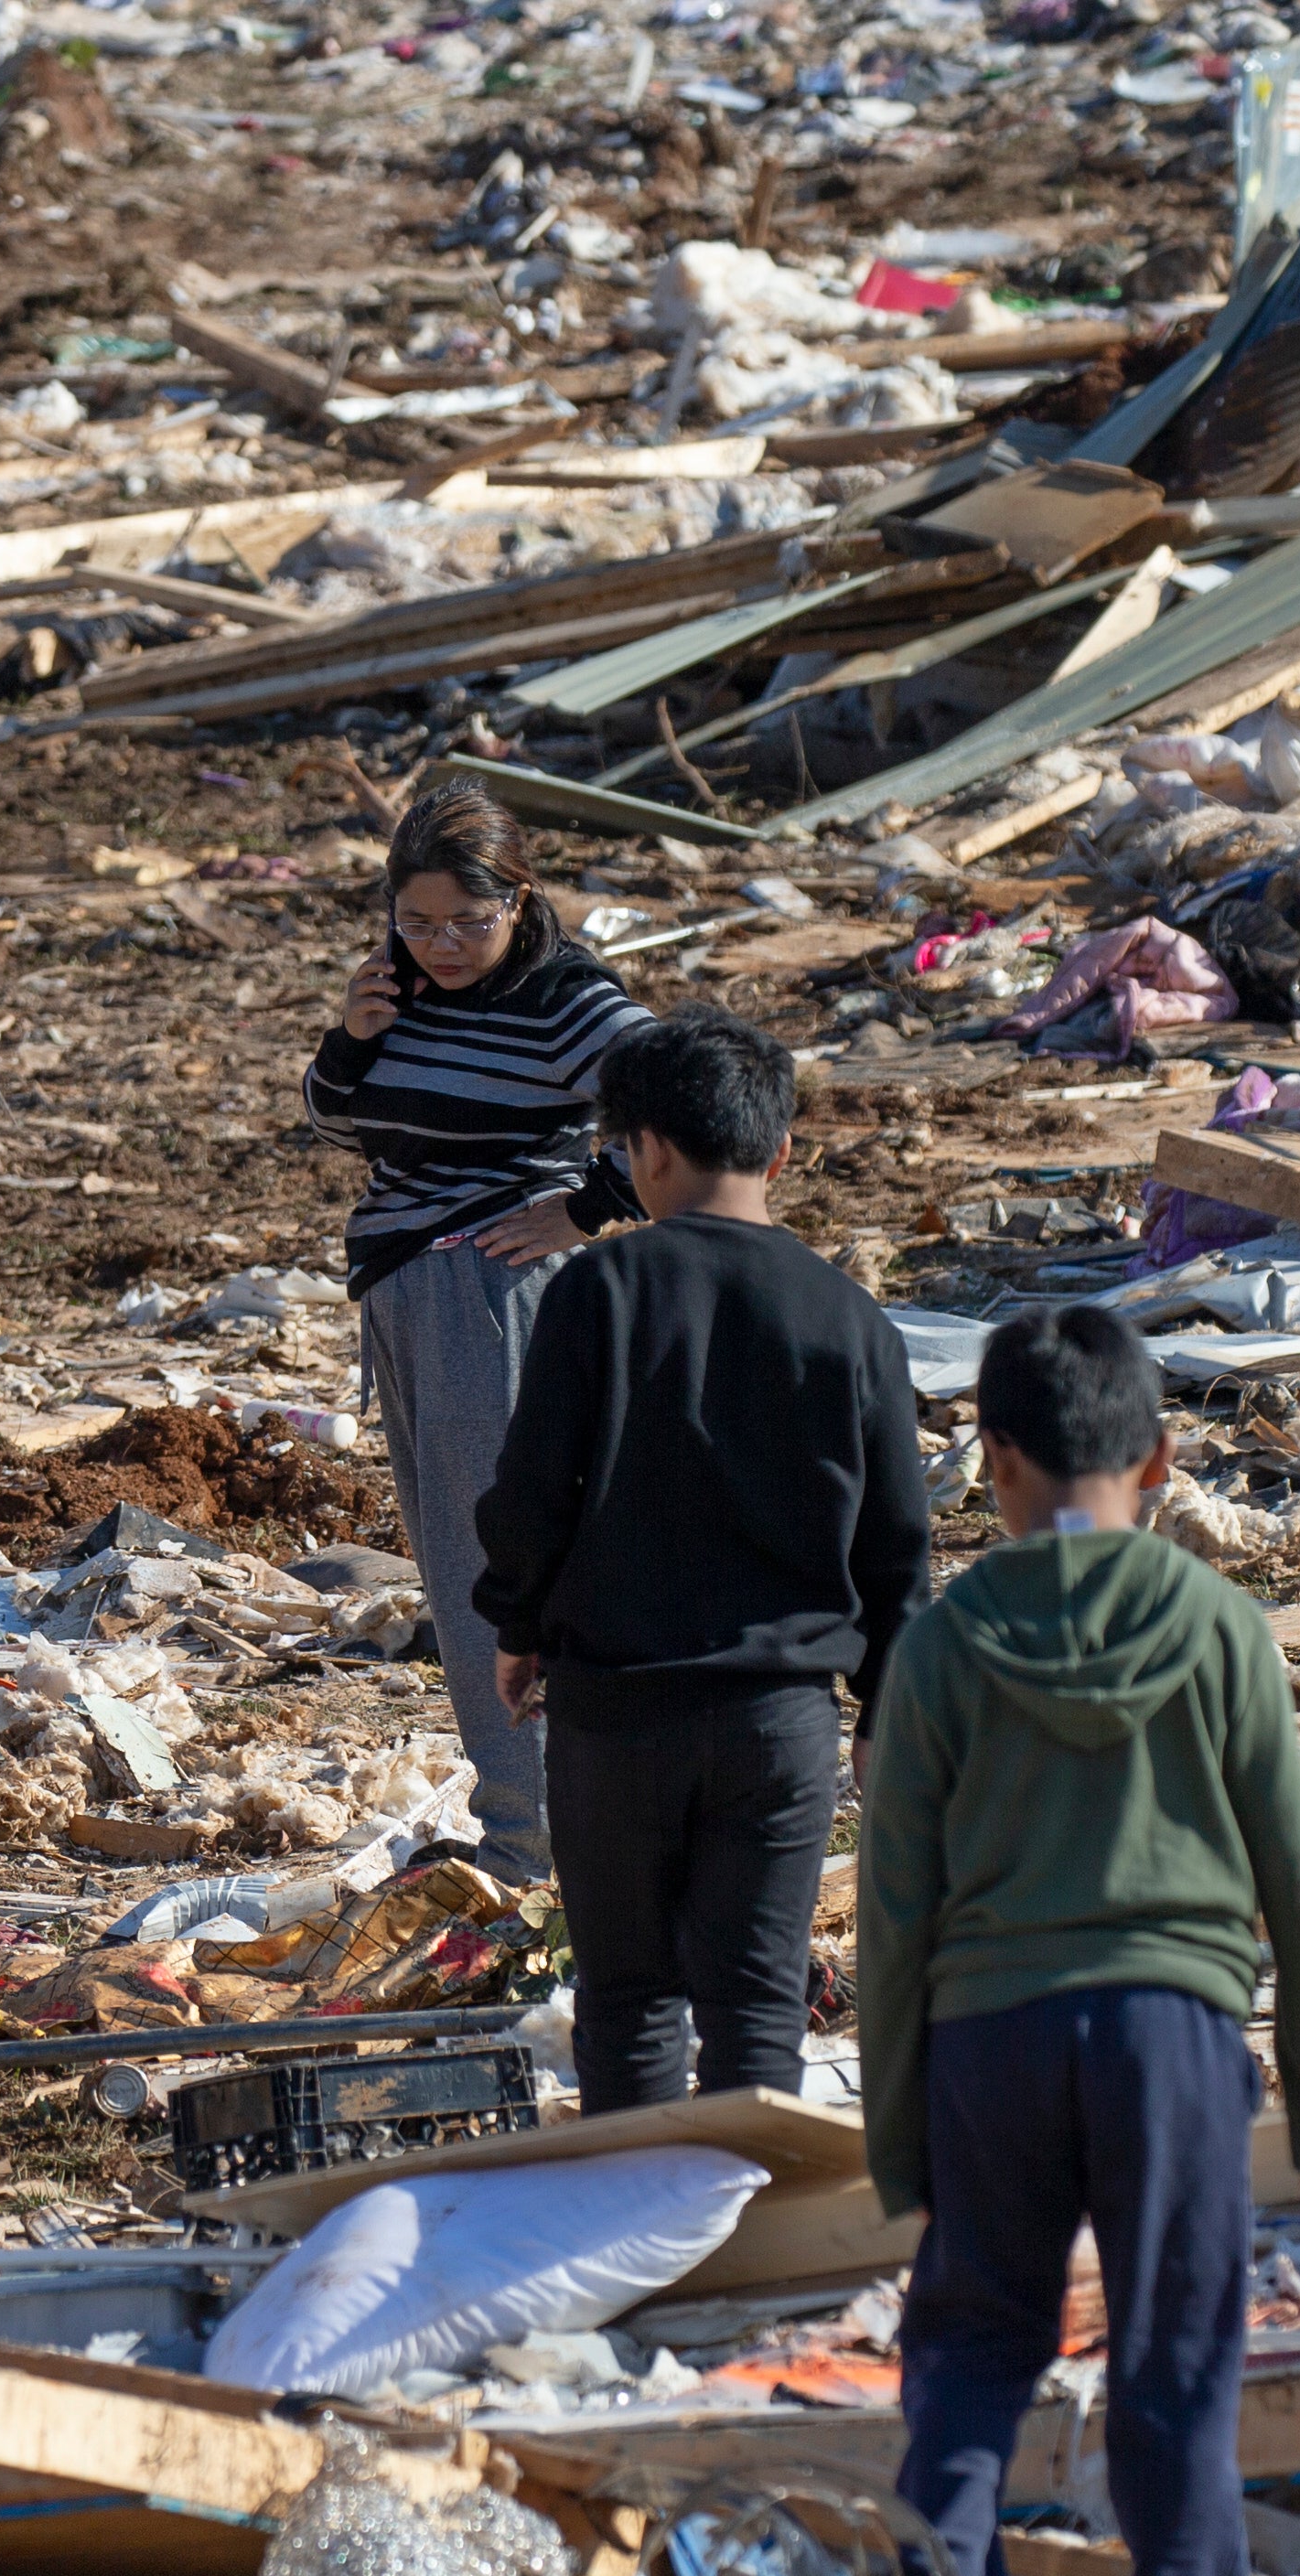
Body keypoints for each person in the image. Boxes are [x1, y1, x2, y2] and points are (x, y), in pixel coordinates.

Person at [858, 1304, 1300, 2576]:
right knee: (1176, 2363)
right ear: (1163, 1459)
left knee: (968, 2350)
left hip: (989, 2042)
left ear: (993, 1459)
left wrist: (898, 2143)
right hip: (1172, 2034)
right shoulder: (1218, 1627)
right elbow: (1295, 1882)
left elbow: (895, 1914)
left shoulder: (944, 1649)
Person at [471, 1011, 930, 2114]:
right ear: (779, 1154)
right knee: (757, 2003)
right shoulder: (850, 1316)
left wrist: (517, 1626)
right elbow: (896, 1544)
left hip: (616, 1711)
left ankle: (640, 2245)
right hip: (781, 1724)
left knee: (627, 1999)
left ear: (645, 1152)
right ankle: (748, 2247)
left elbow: (534, 1493)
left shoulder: (599, 1292)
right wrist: (882, 1708)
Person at [306, 780, 653, 1880]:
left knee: (499, 1573)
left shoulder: (563, 997)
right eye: (418, 921)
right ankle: (544, 1823)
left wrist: (589, 1204)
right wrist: (350, 1041)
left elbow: (683, 1102)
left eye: (469, 920)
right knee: (468, 1569)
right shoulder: (399, 985)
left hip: (492, 1297)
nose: (444, 944)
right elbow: (333, 1116)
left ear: (520, 898)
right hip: (410, 1287)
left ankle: (538, 1841)